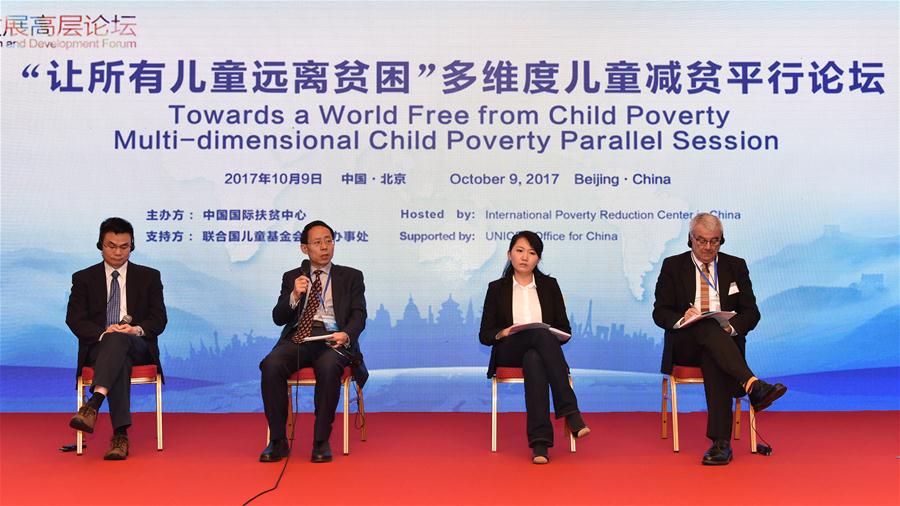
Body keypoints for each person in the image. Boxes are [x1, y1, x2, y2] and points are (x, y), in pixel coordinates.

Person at [653, 212, 787, 465]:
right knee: (705, 324)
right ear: (690, 239)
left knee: (713, 351)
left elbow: (751, 313)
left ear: (721, 240)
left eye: (714, 241)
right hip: (685, 344)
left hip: (723, 346)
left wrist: (730, 328)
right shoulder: (673, 266)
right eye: (701, 241)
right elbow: (660, 312)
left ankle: (721, 444)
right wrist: (683, 317)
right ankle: (753, 385)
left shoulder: (736, 266)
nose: (708, 247)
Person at [259, 220, 368, 463]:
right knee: (271, 365)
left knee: (329, 367)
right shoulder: (292, 277)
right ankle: (277, 441)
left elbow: (359, 315)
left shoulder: (351, 276)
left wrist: (346, 335)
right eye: (317, 242)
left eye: (328, 241)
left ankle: (321, 441)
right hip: (300, 338)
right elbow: (278, 318)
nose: (325, 247)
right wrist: (294, 295)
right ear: (304, 248)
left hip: (333, 339)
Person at [479, 231, 590, 464]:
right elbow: (485, 335)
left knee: (534, 359)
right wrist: (503, 332)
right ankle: (570, 411)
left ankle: (540, 444)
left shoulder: (549, 285)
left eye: (531, 253)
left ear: (538, 258)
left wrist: (552, 335)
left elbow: (565, 329)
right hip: (509, 349)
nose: (524, 257)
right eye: (519, 251)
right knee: (540, 333)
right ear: (509, 254)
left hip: (541, 351)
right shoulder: (497, 288)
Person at [66, 217, 167, 460]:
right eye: (111, 246)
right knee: (115, 347)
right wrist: (104, 333)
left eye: (124, 246)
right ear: (100, 245)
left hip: (138, 345)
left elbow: (159, 319)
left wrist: (135, 330)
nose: (118, 252)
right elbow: (75, 319)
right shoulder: (83, 278)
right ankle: (120, 436)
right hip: (98, 346)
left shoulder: (149, 276)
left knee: (120, 340)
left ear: (132, 246)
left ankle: (94, 403)